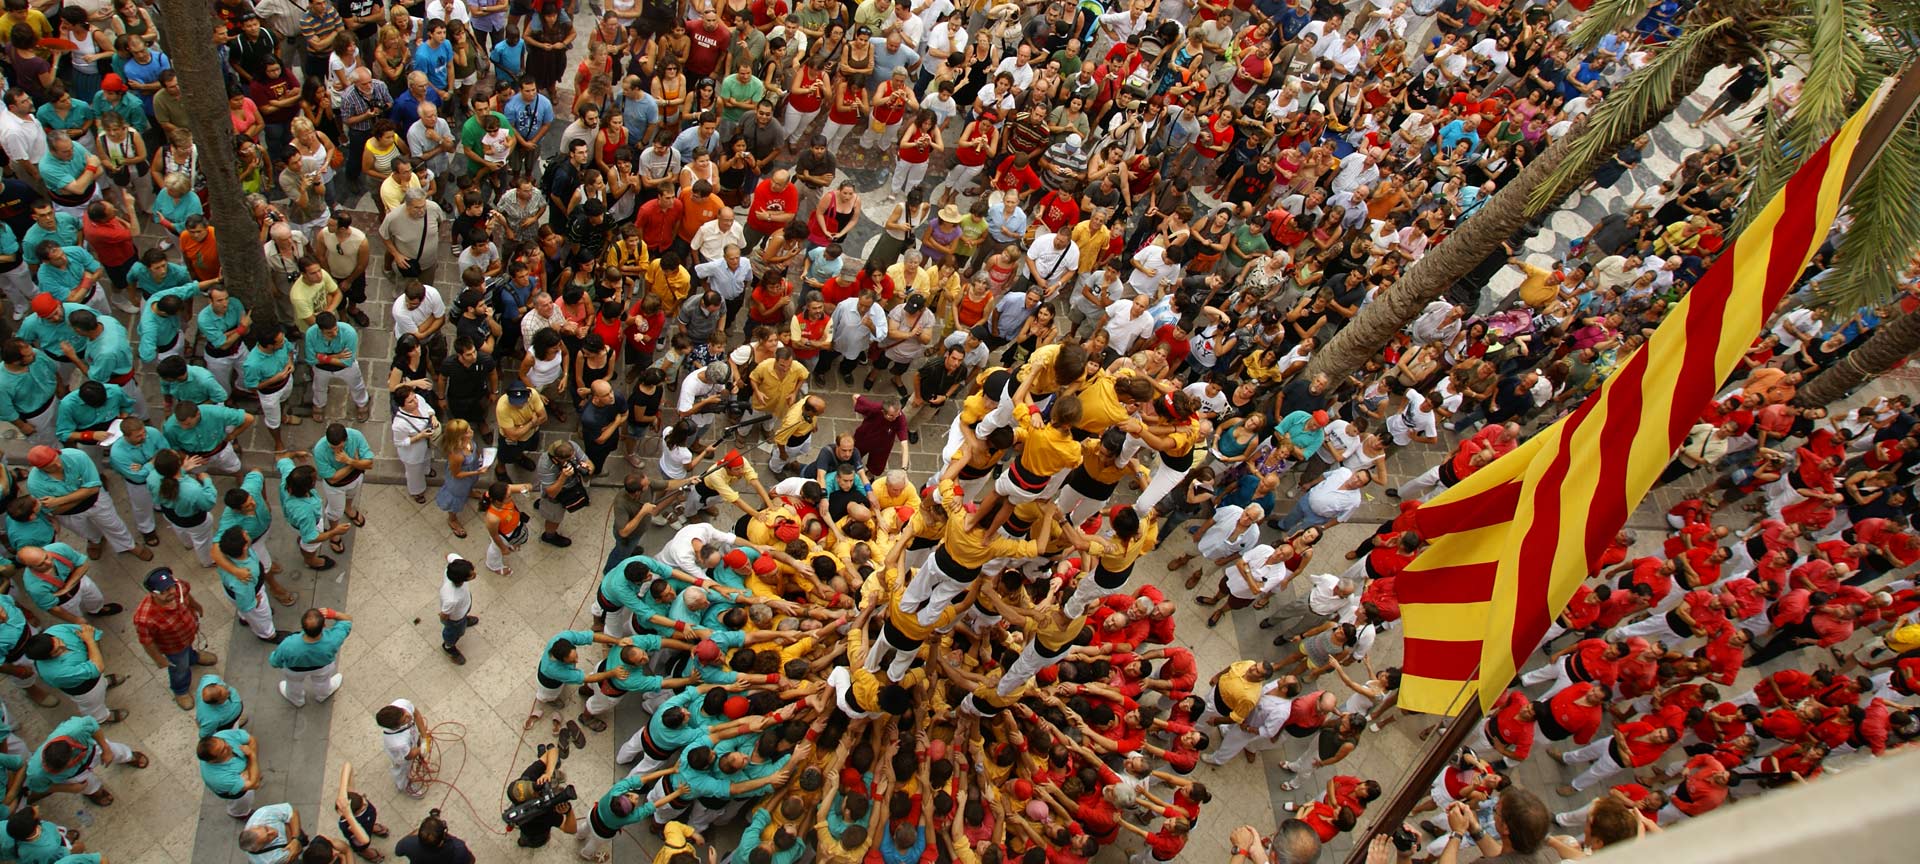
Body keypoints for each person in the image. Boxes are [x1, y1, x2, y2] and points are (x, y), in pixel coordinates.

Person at [131, 567, 217, 710]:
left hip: (188, 634)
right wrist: (159, 659)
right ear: (153, 593)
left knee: (187, 651)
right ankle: (180, 690)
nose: (171, 592)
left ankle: (193, 657)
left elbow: (188, 597)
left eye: (170, 587)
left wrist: (196, 607)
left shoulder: (178, 587)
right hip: (173, 647)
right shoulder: (144, 618)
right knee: (179, 668)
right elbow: (147, 642)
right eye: (164, 592)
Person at [267, 608, 352, 708]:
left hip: (294, 670)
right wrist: (332, 614)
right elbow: (347, 620)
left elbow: (274, 661)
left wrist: (277, 663)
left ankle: (296, 699)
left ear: (302, 627)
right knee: (322, 682)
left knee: (293, 684)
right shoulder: (333, 639)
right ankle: (323, 694)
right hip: (322, 668)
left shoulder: (288, 644)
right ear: (324, 626)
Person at [375, 699, 428, 799]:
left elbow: (415, 713)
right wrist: (422, 748)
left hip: (412, 740)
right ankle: (404, 786)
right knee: (402, 770)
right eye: (404, 719)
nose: (408, 715)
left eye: (404, 713)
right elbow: (409, 756)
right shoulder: (397, 743)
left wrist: (424, 738)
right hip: (402, 755)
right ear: (395, 727)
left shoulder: (401, 703)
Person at [439, 554, 479, 664]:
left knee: (463, 617)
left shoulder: (457, 564)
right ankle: (448, 646)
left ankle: (465, 620)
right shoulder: (451, 599)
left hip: (464, 606)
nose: (474, 574)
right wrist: (449, 624)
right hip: (456, 619)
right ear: (461, 580)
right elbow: (444, 616)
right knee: (455, 632)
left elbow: (448, 555)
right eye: (471, 575)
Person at [393, 810, 473, 863]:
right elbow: (472, 860)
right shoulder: (458, 848)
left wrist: (422, 831)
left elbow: (398, 852)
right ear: (441, 841)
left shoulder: (408, 843)